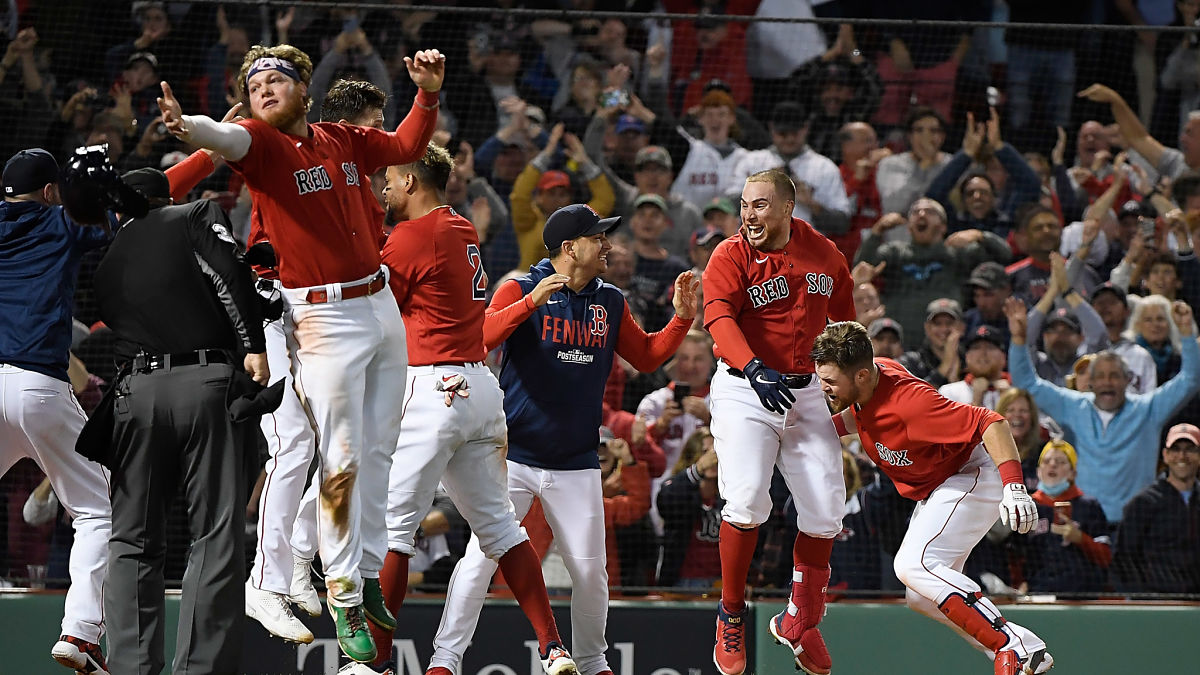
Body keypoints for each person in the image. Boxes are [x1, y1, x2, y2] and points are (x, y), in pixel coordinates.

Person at [157, 44, 442, 662]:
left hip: (378, 304)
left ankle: (364, 575)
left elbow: (404, 147)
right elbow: (224, 141)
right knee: (332, 454)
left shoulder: (342, 137)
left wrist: (428, 92)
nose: (263, 87)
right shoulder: (260, 143)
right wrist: (191, 127)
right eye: (253, 80)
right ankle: (336, 593)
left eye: (275, 77)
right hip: (317, 316)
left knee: (377, 448)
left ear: (303, 89)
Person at [427, 203, 698, 675]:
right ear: (570, 247)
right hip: (513, 457)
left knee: (591, 572)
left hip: (575, 462)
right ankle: (445, 660)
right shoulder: (520, 287)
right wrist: (528, 304)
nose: (609, 245)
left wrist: (680, 319)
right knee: (481, 559)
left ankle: (592, 662)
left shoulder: (610, 300)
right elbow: (479, 340)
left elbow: (648, 357)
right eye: (599, 238)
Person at [369, 144, 576, 673]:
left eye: (391, 179)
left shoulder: (413, 236)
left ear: (412, 181)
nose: (385, 189)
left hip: (432, 387)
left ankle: (375, 662)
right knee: (503, 530)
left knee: (394, 531)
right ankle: (552, 648)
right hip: (480, 388)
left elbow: (369, 298)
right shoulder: (461, 227)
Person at [93, 168, 267, 675]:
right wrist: (254, 345)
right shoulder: (192, 214)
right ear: (166, 198)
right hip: (204, 384)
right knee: (214, 533)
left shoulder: (107, 257)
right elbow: (229, 275)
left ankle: (130, 667)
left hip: (133, 394)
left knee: (131, 540)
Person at [811, 321, 1053, 675]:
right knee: (921, 595)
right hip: (940, 485)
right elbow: (859, 418)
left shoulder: (911, 406)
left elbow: (991, 421)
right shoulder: (868, 385)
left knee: (912, 565)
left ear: (862, 375)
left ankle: (1014, 647)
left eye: (830, 380)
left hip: (971, 473)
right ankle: (1016, 651)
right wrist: (810, 432)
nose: (824, 387)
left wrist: (1014, 486)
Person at [244, 77, 393, 647]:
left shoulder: (347, 175)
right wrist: (256, 343)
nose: (379, 136)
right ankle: (265, 584)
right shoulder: (284, 156)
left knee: (335, 445)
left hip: (321, 317)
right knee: (293, 444)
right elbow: (263, 257)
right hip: (280, 309)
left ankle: (300, 558)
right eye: (376, 124)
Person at [702, 169, 853, 675]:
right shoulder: (729, 255)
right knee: (746, 502)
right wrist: (752, 367)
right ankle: (730, 612)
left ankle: (800, 618)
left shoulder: (826, 255)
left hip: (805, 387)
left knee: (828, 509)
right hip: (745, 387)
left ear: (789, 208)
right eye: (745, 205)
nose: (749, 215)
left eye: (760, 205)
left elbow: (846, 327)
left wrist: (848, 383)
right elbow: (719, 319)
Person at [0, 148, 112, 674]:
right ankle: (81, 633)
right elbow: (120, 218)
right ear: (50, 192)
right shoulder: (59, 220)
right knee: (99, 506)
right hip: (37, 387)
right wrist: (208, 152)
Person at [1007, 296, 1200, 521]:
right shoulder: (1073, 406)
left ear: (1128, 380)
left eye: (1114, 376)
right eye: (1100, 377)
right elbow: (1026, 382)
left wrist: (1186, 334)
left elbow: (1190, 380)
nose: (1107, 382)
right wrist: (1019, 339)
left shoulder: (1149, 409)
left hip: (1135, 526)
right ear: (1091, 383)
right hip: (1086, 526)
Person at [855, 198, 1010, 344]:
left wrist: (980, 236)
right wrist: (877, 231)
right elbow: (859, 270)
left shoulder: (956, 252)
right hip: (898, 341)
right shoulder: (895, 253)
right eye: (915, 212)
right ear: (909, 227)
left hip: (944, 338)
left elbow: (1006, 255)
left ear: (943, 226)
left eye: (929, 212)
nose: (921, 214)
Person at [725, 101, 852, 238]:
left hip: (805, 249)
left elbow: (842, 224)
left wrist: (812, 204)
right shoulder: (752, 161)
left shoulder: (824, 167)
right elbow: (729, 208)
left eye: (795, 133)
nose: (790, 139)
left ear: (805, 128)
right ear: (772, 129)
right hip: (758, 249)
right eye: (783, 134)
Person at [1013, 440, 1112, 595]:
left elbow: (1106, 557)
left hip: (1082, 595)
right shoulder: (1027, 506)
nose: (1052, 465)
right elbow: (1015, 555)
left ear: (1073, 473)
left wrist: (1080, 538)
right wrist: (1019, 583)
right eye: (1046, 461)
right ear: (1038, 471)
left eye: (1060, 462)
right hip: (1038, 593)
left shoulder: (1089, 506)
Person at [1112, 423, 1200, 594]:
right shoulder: (1143, 503)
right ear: (1165, 456)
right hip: (1158, 605)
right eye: (1175, 449)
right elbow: (1123, 559)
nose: (1182, 456)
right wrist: (1143, 601)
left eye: (1190, 449)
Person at [656, 427, 722, 588]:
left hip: (721, 583)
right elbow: (665, 500)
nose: (712, 458)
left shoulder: (730, 494)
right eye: (705, 452)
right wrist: (698, 470)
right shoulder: (680, 489)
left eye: (716, 452)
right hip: (682, 582)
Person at [875, 106, 951, 219]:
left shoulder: (952, 165)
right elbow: (895, 207)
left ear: (942, 137)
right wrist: (924, 165)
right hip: (900, 234)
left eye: (933, 131)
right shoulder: (891, 164)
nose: (926, 137)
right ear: (909, 136)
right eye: (919, 130)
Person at [938, 325, 1010, 410]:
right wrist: (976, 402)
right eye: (976, 348)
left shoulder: (1018, 390)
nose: (983, 353)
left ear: (1003, 357)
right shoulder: (949, 393)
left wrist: (1009, 402)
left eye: (990, 347)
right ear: (967, 357)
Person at [899, 298, 965, 388]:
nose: (944, 329)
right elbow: (915, 397)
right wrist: (946, 364)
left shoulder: (971, 361)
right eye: (937, 323)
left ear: (961, 327)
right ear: (927, 328)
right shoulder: (911, 361)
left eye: (949, 323)